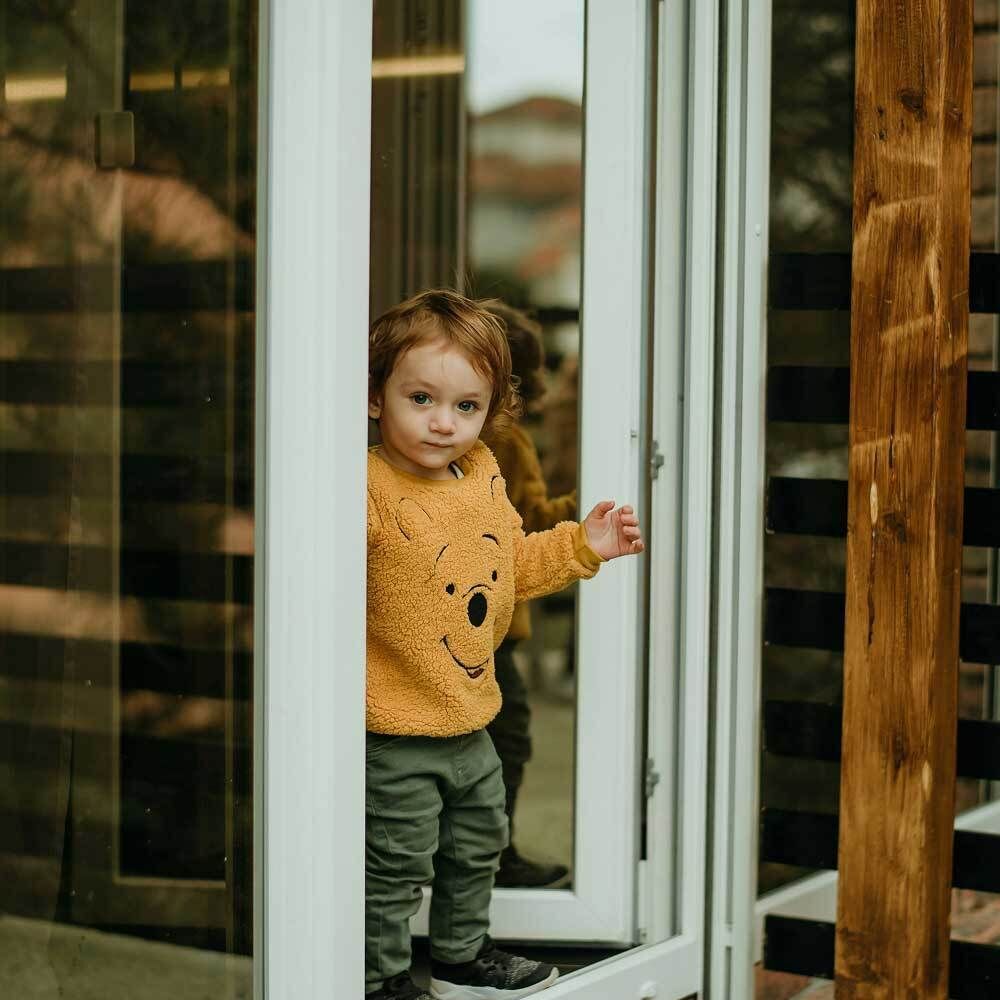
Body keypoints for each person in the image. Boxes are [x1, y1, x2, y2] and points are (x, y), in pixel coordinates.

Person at [365, 289, 644, 1000]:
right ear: (375, 396)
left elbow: (512, 564)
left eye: (466, 407)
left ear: (493, 410)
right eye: (421, 398)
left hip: (470, 715)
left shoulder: (484, 471)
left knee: (477, 844)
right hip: (393, 724)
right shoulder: (363, 485)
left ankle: (461, 954)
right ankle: (382, 977)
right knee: (394, 863)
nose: (442, 422)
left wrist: (584, 544)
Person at [482, 302, 576, 888]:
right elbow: (528, 525)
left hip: (463, 627)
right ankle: (496, 856)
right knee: (507, 738)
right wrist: (586, 507)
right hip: (486, 632)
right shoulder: (506, 444)